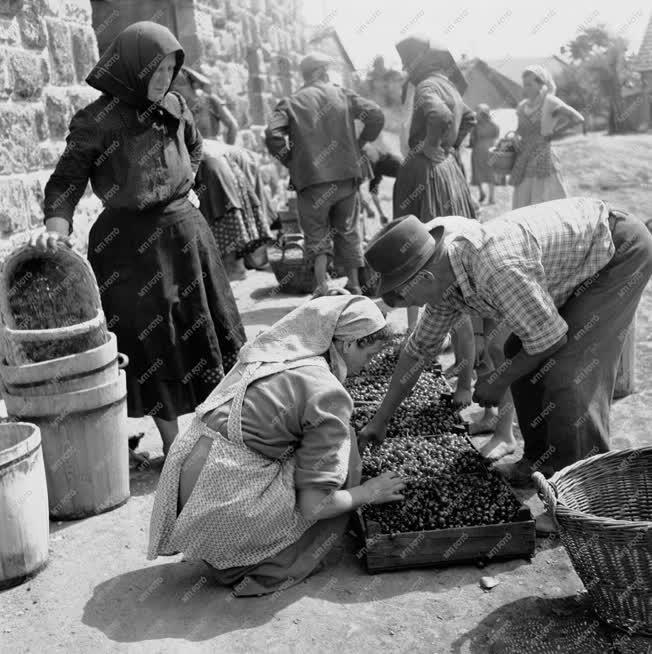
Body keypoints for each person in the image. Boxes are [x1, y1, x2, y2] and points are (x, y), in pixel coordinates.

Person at [361, 198, 652, 533]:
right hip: (573, 262)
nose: (401, 305)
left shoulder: (494, 268)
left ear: (423, 277)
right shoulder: (443, 276)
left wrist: (498, 382)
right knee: (519, 350)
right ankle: (539, 464)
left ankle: (579, 504)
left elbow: (551, 340)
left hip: (615, 252)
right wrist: (381, 419)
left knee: (567, 375)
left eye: (400, 297)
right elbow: (418, 352)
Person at [36, 22, 246, 456]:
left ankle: (219, 431)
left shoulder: (176, 105)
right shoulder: (96, 121)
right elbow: (66, 182)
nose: (163, 80)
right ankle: (174, 447)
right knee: (154, 343)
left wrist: (182, 184)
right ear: (130, 69)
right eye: (155, 70)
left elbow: (196, 147)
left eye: (170, 70)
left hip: (185, 236)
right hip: (128, 248)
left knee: (204, 328)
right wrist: (57, 227)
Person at [148, 295, 406, 595]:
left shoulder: (277, 352)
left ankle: (226, 547)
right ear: (348, 344)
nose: (369, 365)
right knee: (345, 454)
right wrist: (368, 492)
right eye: (370, 354)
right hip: (224, 503)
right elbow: (314, 506)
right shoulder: (328, 395)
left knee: (319, 449)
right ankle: (256, 563)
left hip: (192, 486)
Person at [265, 52, 385, 297]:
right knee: (349, 230)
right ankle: (353, 285)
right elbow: (375, 114)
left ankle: (322, 287)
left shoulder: (290, 101)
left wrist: (292, 161)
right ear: (321, 72)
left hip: (311, 181)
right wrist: (360, 143)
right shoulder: (342, 94)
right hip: (346, 177)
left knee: (316, 235)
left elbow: (272, 135)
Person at [510, 65, 584, 209]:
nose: (525, 88)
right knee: (522, 203)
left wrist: (554, 133)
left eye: (529, 84)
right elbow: (519, 130)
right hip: (524, 157)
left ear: (541, 85)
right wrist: (513, 136)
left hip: (543, 157)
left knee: (544, 200)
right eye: (524, 84)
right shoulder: (522, 106)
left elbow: (578, 118)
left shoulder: (549, 102)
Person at [176, 66, 239, 144]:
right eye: (172, 86)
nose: (175, 89)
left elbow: (232, 126)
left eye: (180, 85)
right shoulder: (175, 108)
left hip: (214, 151)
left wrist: (228, 150)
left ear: (193, 85)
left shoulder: (210, 101)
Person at [360, 141, 403, 225]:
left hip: (388, 164)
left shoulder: (380, 165)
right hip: (384, 164)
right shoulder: (377, 165)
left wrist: (380, 214)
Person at [469, 104, 499, 204]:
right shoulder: (494, 125)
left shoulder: (475, 126)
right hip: (491, 150)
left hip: (478, 150)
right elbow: (496, 135)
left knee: (478, 173)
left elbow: (472, 141)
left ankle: (482, 192)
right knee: (490, 173)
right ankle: (491, 197)